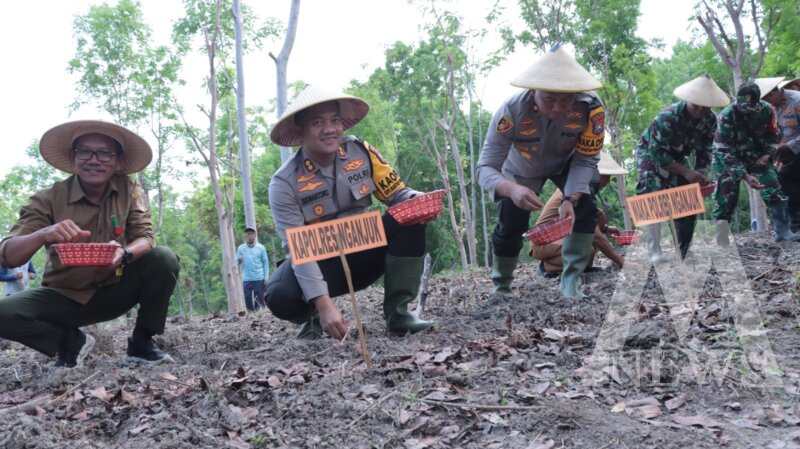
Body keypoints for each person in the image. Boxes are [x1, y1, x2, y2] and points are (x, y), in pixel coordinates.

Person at [265, 86, 440, 339]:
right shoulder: (284, 183)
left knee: (409, 216)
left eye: (335, 120)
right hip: (322, 262)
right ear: (300, 131)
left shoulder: (361, 152)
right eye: (317, 122)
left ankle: (399, 315)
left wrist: (417, 200)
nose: (329, 129)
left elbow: (397, 193)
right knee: (278, 293)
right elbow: (299, 251)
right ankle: (314, 318)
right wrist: (324, 304)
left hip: (367, 249)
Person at [0, 120, 180, 368]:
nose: (94, 159)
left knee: (164, 258)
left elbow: (146, 238)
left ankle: (142, 344)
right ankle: (70, 343)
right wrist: (44, 233)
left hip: (116, 289)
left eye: (104, 153)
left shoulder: (130, 190)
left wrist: (125, 254)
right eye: (84, 151)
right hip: (63, 296)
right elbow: (9, 255)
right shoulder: (48, 198)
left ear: (117, 161)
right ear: (73, 158)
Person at [477, 44, 605, 300]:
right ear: (534, 91)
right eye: (549, 99)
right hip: (521, 168)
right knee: (510, 222)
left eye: (566, 100)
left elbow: (586, 157)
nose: (558, 108)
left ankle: (570, 282)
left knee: (585, 209)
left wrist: (571, 198)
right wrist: (512, 189)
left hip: (567, 162)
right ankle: (501, 286)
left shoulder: (591, 109)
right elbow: (484, 168)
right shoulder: (511, 112)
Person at [635, 75, 729, 261]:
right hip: (651, 154)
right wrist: (686, 171)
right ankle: (654, 250)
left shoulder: (710, 120)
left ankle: (684, 249)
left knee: (688, 196)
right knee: (650, 193)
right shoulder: (667, 117)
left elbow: (705, 149)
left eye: (705, 106)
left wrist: (701, 173)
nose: (701, 110)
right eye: (696, 106)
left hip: (678, 157)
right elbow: (657, 154)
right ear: (687, 101)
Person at [712, 83, 800, 244]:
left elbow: (774, 137)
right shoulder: (726, 116)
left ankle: (782, 232)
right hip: (728, 159)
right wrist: (745, 175)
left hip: (757, 156)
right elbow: (723, 150)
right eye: (744, 107)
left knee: (773, 186)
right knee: (727, 194)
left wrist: (767, 155)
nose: (747, 111)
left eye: (751, 107)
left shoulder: (767, 110)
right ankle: (721, 236)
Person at [531, 152, 626, 275]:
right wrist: (619, 260)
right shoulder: (574, 191)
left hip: (561, 235)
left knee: (599, 216)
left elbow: (593, 220)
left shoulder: (586, 192)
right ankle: (547, 267)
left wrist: (606, 229)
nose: (607, 181)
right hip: (544, 242)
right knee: (586, 250)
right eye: (605, 176)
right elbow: (595, 234)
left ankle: (576, 264)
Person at [757, 77, 800, 232]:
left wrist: (789, 146)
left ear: (776, 91)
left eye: (768, 97)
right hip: (785, 152)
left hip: (795, 148)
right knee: (784, 182)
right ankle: (794, 224)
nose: (768, 101)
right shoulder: (769, 108)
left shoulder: (796, 100)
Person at [237, 226, 269, 311]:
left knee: (259, 300)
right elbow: (237, 262)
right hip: (246, 278)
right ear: (245, 236)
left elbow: (265, 263)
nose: (249, 236)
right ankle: (251, 314)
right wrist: (238, 260)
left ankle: (259, 317)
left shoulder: (261, 248)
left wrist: (266, 277)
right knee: (247, 298)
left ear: (255, 235)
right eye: (247, 234)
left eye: (251, 234)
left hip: (259, 277)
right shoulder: (241, 248)